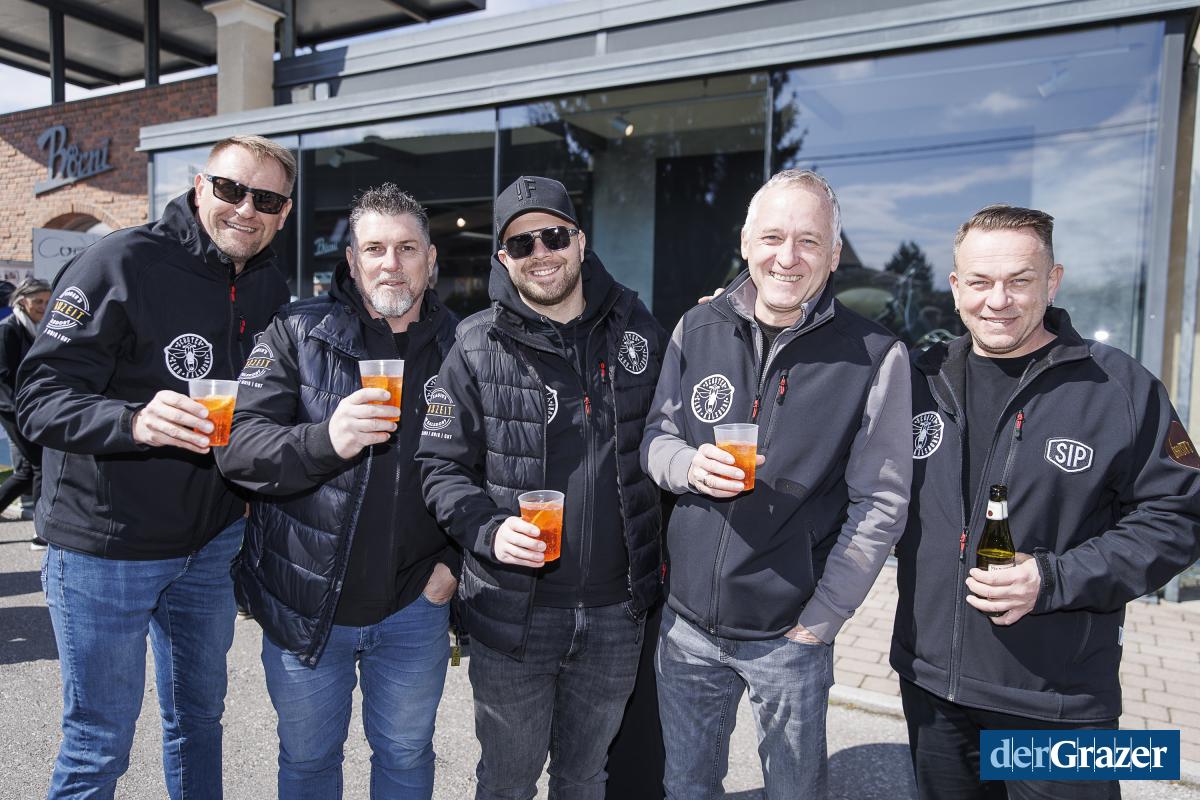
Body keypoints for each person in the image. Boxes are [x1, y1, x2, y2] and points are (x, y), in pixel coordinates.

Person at [16, 135, 294, 799]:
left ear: (284, 213)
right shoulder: (119, 262)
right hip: (105, 544)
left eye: (266, 199)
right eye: (230, 189)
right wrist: (132, 421)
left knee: (198, 721)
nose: (246, 209)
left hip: (210, 542)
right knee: (98, 743)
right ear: (200, 187)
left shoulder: (269, 282)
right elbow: (39, 398)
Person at [891, 204, 1200, 800]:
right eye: (979, 281)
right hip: (932, 687)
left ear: (1052, 281)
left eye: (1019, 280)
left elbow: (1179, 514)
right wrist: (732, 319)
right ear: (955, 286)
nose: (997, 300)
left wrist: (1054, 579)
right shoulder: (917, 378)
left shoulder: (1118, 388)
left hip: (1058, 701)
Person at [641, 168, 912, 800]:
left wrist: (822, 618)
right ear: (746, 243)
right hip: (686, 625)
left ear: (834, 254)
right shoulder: (697, 327)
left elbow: (881, 502)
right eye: (772, 237)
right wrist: (687, 467)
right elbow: (656, 436)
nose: (787, 257)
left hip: (789, 635)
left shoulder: (875, 355)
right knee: (686, 787)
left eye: (809, 241)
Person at [417, 175, 667, 799]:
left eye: (553, 236)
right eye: (521, 244)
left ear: (580, 241)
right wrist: (489, 530)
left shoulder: (637, 328)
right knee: (507, 784)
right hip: (514, 615)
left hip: (617, 612)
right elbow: (440, 467)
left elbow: (682, 423)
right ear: (503, 259)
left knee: (585, 778)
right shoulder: (474, 345)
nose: (540, 253)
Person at [216, 184, 459, 798]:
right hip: (305, 605)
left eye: (407, 248)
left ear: (431, 259)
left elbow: (496, 467)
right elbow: (236, 448)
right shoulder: (297, 331)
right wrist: (327, 439)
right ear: (351, 260)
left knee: (405, 756)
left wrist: (454, 566)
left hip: (414, 604)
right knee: (308, 762)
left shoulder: (467, 345)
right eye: (374, 248)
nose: (390, 263)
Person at [0, 277, 51, 542]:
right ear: (22, 301)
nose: (43, 306)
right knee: (40, 464)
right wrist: (23, 409)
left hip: (26, 407)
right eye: (37, 301)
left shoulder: (33, 327)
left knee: (25, 471)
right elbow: (3, 375)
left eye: (47, 301)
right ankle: (42, 533)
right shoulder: (8, 329)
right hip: (12, 408)